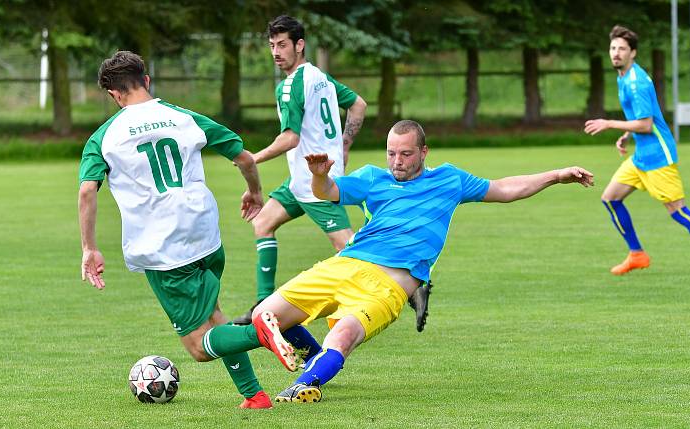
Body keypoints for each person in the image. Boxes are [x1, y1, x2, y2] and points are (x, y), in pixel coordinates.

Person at [199, 120, 594, 403]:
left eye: (406, 154)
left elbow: (505, 189)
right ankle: (311, 357)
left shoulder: (450, 180)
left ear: (424, 152)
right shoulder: (373, 178)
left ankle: (305, 385)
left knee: (345, 336)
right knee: (263, 316)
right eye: (391, 153)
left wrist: (556, 175)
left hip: (391, 284)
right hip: (345, 264)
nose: (397, 161)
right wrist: (319, 175)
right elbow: (328, 191)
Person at [78, 51, 273, 409]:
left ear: (113, 94)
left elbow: (88, 189)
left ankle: (261, 333)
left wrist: (89, 247)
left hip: (164, 250)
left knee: (199, 347)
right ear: (147, 80)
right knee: (214, 314)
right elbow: (244, 157)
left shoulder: (105, 137)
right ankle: (255, 395)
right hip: (206, 236)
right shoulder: (184, 118)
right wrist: (255, 193)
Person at [230, 15, 369, 325]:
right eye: (271, 46)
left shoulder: (290, 85)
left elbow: (290, 138)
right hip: (303, 180)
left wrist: (253, 158)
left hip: (315, 183)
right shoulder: (320, 76)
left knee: (348, 246)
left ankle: (393, 282)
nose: (276, 52)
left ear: (300, 45)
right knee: (263, 221)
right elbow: (358, 104)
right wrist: (345, 144)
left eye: (282, 45)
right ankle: (262, 307)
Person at [584, 25, 690, 278]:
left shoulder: (636, 82)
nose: (616, 53)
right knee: (611, 198)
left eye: (622, 49)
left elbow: (646, 125)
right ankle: (637, 255)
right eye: (613, 48)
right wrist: (627, 134)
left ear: (633, 53)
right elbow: (642, 119)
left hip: (658, 156)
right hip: (641, 156)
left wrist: (610, 123)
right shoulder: (623, 76)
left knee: (678, 211)